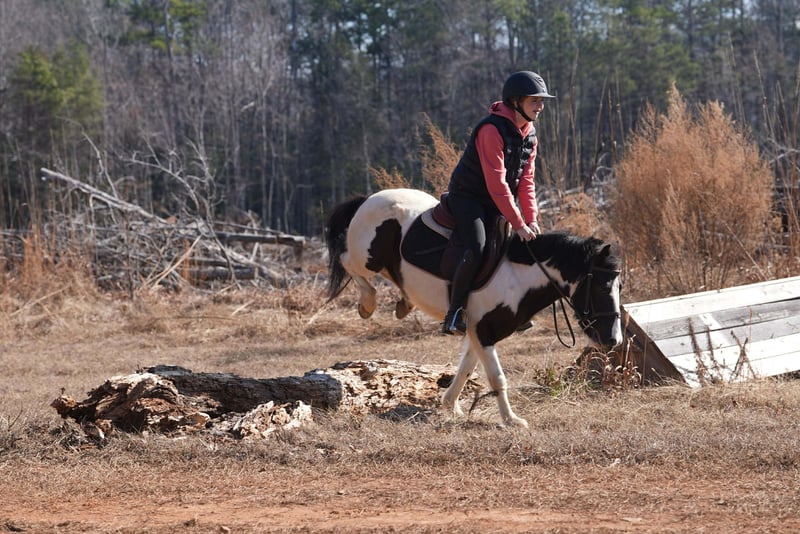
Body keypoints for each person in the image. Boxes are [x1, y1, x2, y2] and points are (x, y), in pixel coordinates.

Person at [442, 70, 555, 335]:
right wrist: (518, 223)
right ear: (515, 102)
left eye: (541, 101)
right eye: (534, 101)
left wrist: (531, 220)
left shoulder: (530, 134)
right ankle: (454, 313)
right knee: (478, 246)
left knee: (514, 247)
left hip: (495, 200)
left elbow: (526, 181)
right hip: (467, 197)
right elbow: (497, 183)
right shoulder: (491, 130)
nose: (540, 107)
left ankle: (512, 307)